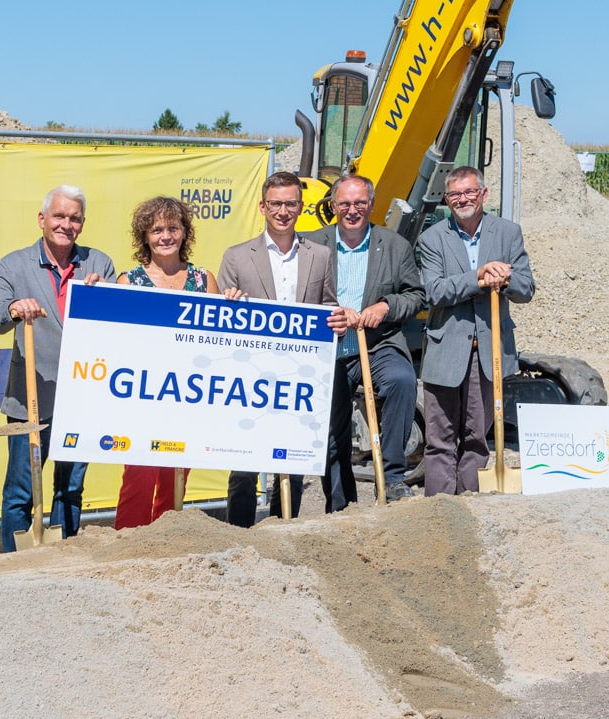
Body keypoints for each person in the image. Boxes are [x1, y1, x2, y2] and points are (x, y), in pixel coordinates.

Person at [0, 186, 115, 549]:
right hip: (31, 399)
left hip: (83, 398)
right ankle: (14, 561)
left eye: (74, 218)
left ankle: (62, 555)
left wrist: (108, 298)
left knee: (70, 489)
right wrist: (13, 308)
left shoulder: (99, 265)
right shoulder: (13, 265)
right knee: (21, 491)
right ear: (42, 219)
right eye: (59, 216)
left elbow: (117, 326)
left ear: (82, 224)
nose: (66, 224)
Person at [215, 170, 336, 525]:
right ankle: (238, 534)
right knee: (244, 467)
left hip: (299, 377)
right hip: (249, 375)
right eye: (276, 204)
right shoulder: (237, 257)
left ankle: (284, 533)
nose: (283, 211)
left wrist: (336, 319)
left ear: (301, 206)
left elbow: (328, 307)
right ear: (262, 207)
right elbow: (221, 319)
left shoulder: (320, 256)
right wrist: (229, 300)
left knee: (291, 466)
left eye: (290, 204)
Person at [416, 165, 534, 496]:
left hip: (489, 351)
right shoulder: (432, 238)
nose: (463, 199)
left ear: (483, 194)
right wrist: (479, 277)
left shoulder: (508, 233)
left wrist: (505, 279)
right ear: (446, 199)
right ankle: (439, 508)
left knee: (477, 438)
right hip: (445, 350)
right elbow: (434, 291)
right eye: (455, 194)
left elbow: (526, 288)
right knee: (440, 439)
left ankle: (470, 503)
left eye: (470, 192)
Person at [318, 174, 424, 510]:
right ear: (333, 205)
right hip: (330, 347)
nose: (352, 210)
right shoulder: (313, 244)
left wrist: (386, 306)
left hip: (378, 343)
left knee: (402, 381)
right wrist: (331, 311)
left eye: (360, 203)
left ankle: (392, 477)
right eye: (345, 203)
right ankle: (340, 502)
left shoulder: (394, 246)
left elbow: (415, 295)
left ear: (372, 204)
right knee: (332, 426)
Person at [112, 195, 213, 530]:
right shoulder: (128, 282)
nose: (166, 236)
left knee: (176, 481)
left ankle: (167, 544)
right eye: (157, 230)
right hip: (143, 397)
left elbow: (218, 343)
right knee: (138, 480)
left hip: (188, 397)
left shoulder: (204, 280)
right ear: (145, 236)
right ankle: (128, 544)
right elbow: (116, 342)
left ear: (185, 232)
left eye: (173, 228)